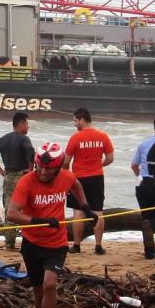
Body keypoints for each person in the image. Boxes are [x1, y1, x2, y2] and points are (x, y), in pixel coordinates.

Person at [6, 142, 100, 308]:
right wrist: (40, 220)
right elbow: (12, 213)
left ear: (58, 168)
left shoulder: (66, 176)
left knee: (50, 284)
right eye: (41, 167)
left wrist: (85, 207)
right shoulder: (26, 182)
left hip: (56, 243)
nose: (44, 172)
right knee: (38, 288)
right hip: (32, 243)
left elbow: (76, 185)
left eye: (49, 169)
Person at [62, 107, 114, 255]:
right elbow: (110, 158)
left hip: (79, 179)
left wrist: (67, 173)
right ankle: (98, 246)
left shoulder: (75, 138)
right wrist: (99, 165)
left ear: (82, 119)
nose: (74, 124)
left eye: (75, 120)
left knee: (78, 212)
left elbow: (66, 161)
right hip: (97, 178)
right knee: (98, 211)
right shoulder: (103, 136)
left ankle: (77, 245)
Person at [0, 111, 36, 250]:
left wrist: (1, 171)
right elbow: (31, 153)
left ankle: (9, 243)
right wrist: (30, 170)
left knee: (10, 211)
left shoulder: (3, 139)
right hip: (23, 177)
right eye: (26, 124)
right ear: (20, 124)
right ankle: (29, 242)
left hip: (8, 177)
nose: (28, 127)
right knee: (27, 209)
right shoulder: (24, 139)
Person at [130, 116, 155, 259]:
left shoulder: (143, 143)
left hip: (144, 184)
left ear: (154, 127)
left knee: (146, 218)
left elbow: (134, 165)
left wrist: (140, 177)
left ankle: (149, 251)